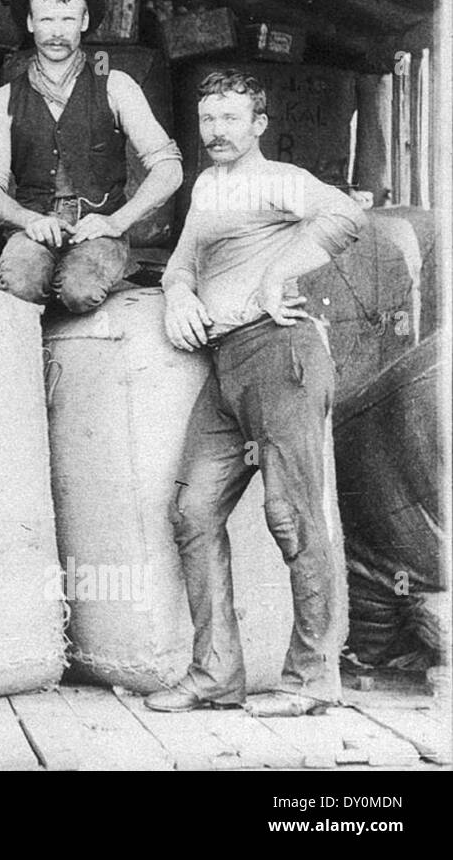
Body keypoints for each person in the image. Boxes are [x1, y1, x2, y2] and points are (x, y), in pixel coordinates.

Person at [145, 71, 365, 718]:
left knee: (291, 513)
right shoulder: (208, 186)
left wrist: (278, 270)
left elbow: (348, 213)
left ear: (259, 124)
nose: (216, 131)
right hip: (226, 366)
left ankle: (311, 678)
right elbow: (178, 263)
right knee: (192, 510)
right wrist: (178, 293)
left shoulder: (280, 181)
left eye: (231, 119)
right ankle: (215, 673)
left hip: (282, 352)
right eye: (208, 118)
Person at [0, 0, 182, 312]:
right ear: (30, 23)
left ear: (84, 23)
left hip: (99, 225)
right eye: (46, 20)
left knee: (79, 290)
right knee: (22, 284)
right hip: (35, 224)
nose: (57, 32)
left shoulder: (116, 85)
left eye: (67, 20)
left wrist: (116, 222)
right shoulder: (4, 98)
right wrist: (29, 221)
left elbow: (169, 169)